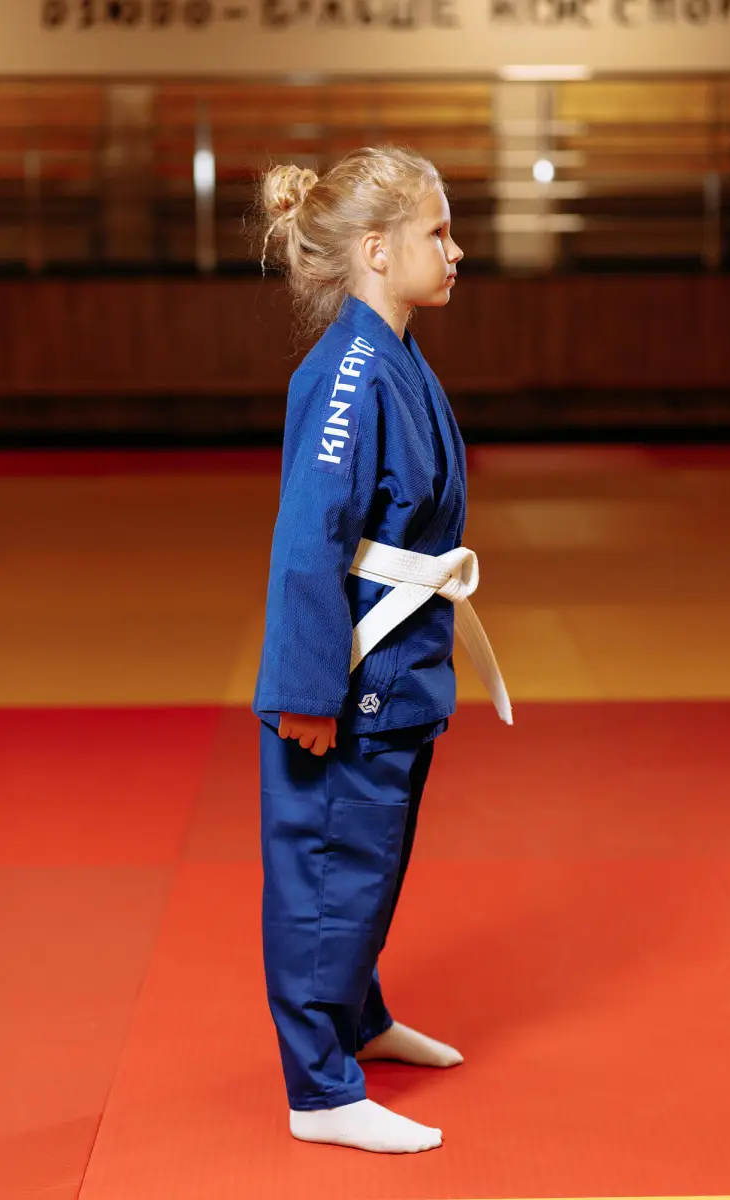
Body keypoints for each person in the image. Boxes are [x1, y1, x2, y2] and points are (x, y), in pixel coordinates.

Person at [252, 145, 511, 1155]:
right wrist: (306, 690)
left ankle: (357, 1019)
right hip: (348, 676)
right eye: (436, 233)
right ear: (373, 250)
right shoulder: (348, 373)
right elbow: (306, 541)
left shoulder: (392, 355)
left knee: (372, 858)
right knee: (331, 867)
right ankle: (318, 1088)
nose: (455, 250)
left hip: (399, 662)